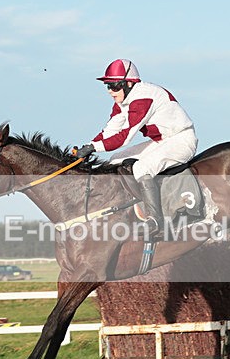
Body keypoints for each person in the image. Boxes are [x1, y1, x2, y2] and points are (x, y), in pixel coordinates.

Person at [75, 58, 199, 235]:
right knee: (114, 160)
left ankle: (155, 220)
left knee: (141, 167)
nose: (110, 91)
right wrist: (89, 146)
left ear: (129, 83)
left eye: (115, 85)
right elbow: (111, 130)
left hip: (182, 140)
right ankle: (130, 206)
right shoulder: (123, 101)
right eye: (107, 86)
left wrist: (94, 149)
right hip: (162, 141)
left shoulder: (143, 98)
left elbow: (125, 137)